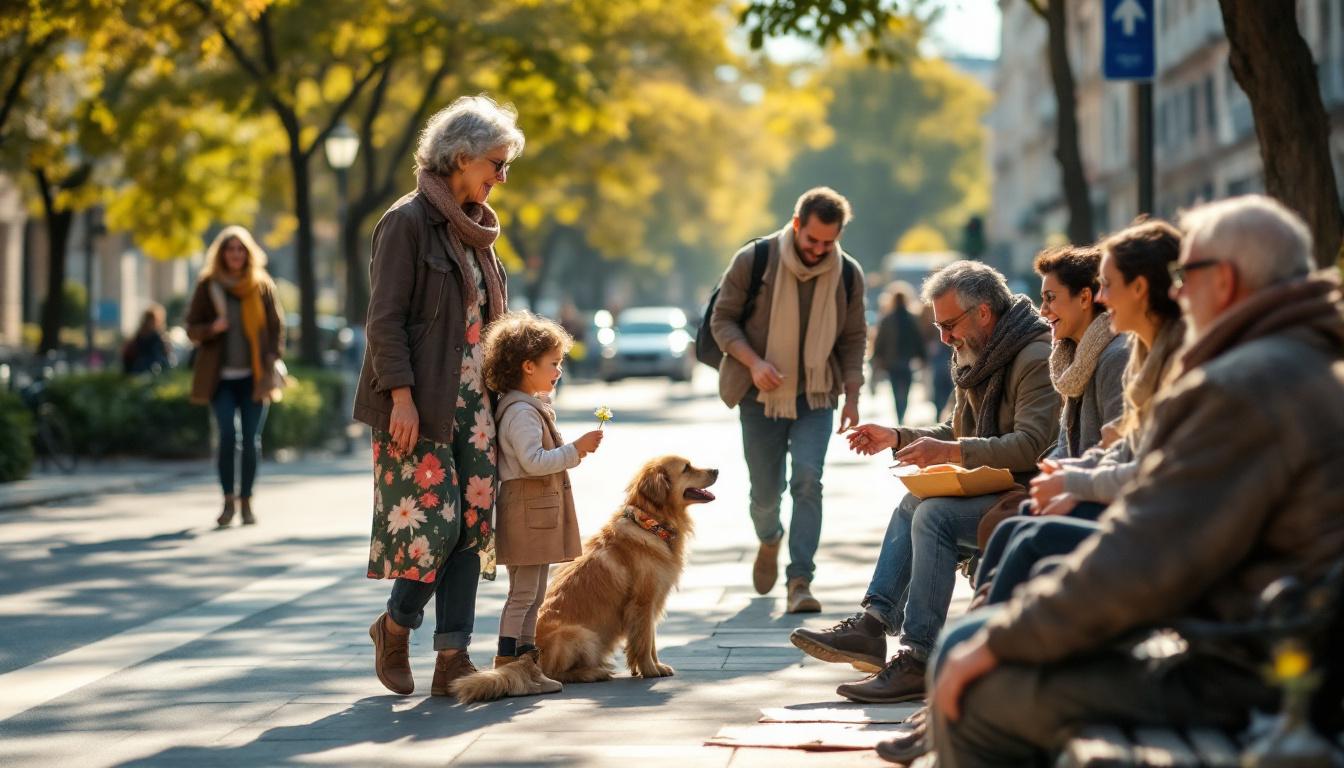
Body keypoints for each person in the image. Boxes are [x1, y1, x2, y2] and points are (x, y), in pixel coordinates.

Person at [929, 195, 1344, 767]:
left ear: (1223, 280)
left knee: (976, 686)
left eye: (1186, 275)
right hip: (1275, 646)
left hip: (1247, 672)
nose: (1177, 292)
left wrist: (999, 643)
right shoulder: (1303, 360)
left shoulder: (1242, 384)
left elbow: (1146, 554)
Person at [878, 221, 1187, 764]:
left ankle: (946, 669)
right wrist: (906, 438)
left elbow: (1129, 463)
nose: (1044, 310)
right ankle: (903, 640)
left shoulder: (1105, 357)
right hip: (1099, 499)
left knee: (991, 529)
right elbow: (1094, 448)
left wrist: (1066, 481)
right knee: (941, 512)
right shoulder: (1075, 355)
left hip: (1136, 526)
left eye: (1108, 284)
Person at [791, 260, 1058, 704]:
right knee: (916, 501)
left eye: (949, 325)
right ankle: (874, 626)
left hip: (1027, 495)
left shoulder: (1032, 356)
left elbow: (1030, 446)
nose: (944, 338)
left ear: (984, 313)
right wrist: (897, 437)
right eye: (938, 326)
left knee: (933, 515)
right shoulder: (979, 354)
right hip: (995, 488)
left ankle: (918, 656)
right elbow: (956, 429)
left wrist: (952, 453)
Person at [354, 95, 521, 698]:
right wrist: (399, 396)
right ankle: (395, 626)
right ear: (461, 156)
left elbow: (483, 319)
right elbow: (385, 320)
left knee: (474, 529)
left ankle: (453, 657)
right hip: (420, 402)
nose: (502, 177)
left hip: (477, 405)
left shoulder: (476, 229)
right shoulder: (406, 221)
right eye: (496, 164)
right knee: (439, 526)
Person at [709, 186, 868, 613]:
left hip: (816, 396)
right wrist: (753, 362)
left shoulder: (848, 274)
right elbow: (721, 321)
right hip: (759, 398)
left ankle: (800, 580)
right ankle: (769, 539)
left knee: (808, 480)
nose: (819, 249)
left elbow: (854, 339)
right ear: (797, 224)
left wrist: (852, 396)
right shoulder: (755, 259)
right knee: (765, 494)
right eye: (812, 239)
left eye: (828, 242)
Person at [453, 311, 605, 702]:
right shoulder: (519, 412)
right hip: (527, 512)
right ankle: (509, 662)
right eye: (553, 364)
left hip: (536, 511)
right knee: (523, 595)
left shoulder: (525, 405)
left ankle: (527, 664)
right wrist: (576, 450)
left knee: (535, 595)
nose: (558, 371)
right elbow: (534, 461)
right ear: (527, 366)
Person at [185, 226, 285, 528]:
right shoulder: (208, 285)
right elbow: (191, 327)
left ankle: (247, 501)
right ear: (221, 253)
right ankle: (228, 500)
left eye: (241, 249)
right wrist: (210, 329)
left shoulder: (261, 285)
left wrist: (272, 356)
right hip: (221, 379)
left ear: (248, 253)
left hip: (255, 377)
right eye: (230, 249)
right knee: (228, 437)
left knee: (251, 440)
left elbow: (277, 327)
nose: (236, 255)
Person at [1034, 245, 1127, 463]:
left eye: (1050, 297)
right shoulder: (1070, 360)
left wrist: (1060, 477)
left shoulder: (1118, 357)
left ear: (1085, 297)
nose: (1043, 310)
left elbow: (1118, 454)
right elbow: (1066, 447)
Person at [871, 282, 925, 424]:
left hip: (892, 362)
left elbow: (879, 342)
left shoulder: (887, 319)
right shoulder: (912, 318)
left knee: (896, 391)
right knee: (905, 391)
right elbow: (919, 339)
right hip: (907, 362)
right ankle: (901, 414)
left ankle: (899, 415)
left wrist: (877, 359)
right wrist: (923, 357)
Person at [122, 304, 173, 375]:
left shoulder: (157, 335)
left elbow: (165, 352)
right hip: (146, 365)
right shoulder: (147, 335)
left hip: (152, 364)